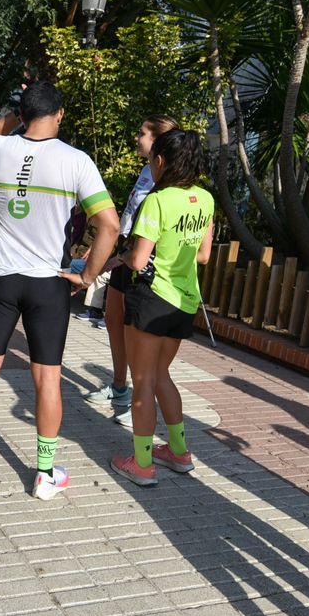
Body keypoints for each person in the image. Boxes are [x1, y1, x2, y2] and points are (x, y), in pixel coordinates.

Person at [0, 82, 119, 499]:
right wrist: (87, 277)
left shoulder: (0, 149)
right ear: (60, 114)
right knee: (47, 377)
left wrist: (13, 114)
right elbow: (110, 225)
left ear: (23, 115)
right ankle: (45, 473)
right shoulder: (77, 161)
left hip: (0, 279)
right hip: (49, 283)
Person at [108, 128, 214, 486]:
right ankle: (180, 452)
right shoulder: (206, 198)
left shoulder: (158, 200)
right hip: (184, 301)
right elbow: (203, 255)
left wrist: (121, 255)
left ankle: (142, 463)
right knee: (161, 376)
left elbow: (138, 261)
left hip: (153, 299)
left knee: (143, 381)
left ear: (162, 160)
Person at [83, 115, 176, 425]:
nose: (137, 138)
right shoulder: (145, 171)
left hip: (141, 260)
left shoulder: (166, 179)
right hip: (124, 251)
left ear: (157, 141)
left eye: (142, 134)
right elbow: (129, 216)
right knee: (113, 320)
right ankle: (120, 386)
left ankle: (140, 401)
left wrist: (122, 254)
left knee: (135, 331)